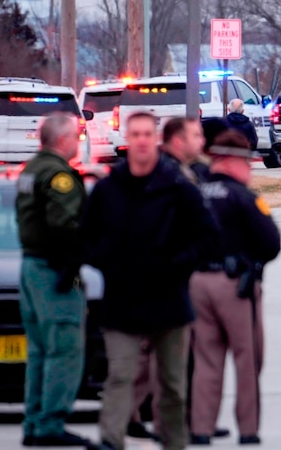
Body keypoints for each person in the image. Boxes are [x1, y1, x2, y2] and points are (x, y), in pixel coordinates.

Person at [84, 111, 221, 450]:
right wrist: (110, 263)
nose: (142, 140)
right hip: (123, 300)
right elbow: (86, 237)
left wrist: (179, 264)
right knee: (120, 376)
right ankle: (111, 440)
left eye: (148, 134)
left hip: (170, 300)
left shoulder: (177, 187)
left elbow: (208, 237)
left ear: (155, 139)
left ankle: (175, 442)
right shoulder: (108, 189)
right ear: (127, 139)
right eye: (136, 134)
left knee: (172, 383)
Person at [189, 130, 281, 445]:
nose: (250, 169)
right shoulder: (243, 197)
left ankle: (200, 428)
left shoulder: (196, 193)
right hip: (236, 286)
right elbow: (271, 243)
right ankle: (248, 429)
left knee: (206, 360)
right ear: (231, 160)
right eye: (248, 162)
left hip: (198, 283)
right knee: (248, 358)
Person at [16, 112, 90, 447]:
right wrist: (75, 261)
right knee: (64, 348)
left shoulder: (31, 170)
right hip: (53, 271)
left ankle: (34, 421)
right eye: (75, 136)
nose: (78, 141)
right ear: (62, 140)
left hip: (32, 267)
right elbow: (66, 224)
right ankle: (50, 423)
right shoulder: (58, 175)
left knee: (39, 351)